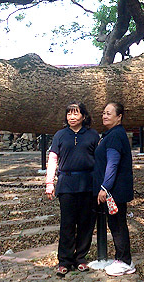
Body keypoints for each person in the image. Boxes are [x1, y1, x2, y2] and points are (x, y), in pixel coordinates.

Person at [46, 103, 100, 277]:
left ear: (84, 116)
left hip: (88, 183)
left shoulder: (92, 135)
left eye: (76, 114)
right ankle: (65, 261)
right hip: (66, 183)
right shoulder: (60, 135)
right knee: (67, 223)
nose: (72, 117)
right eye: (69, 114)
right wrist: (49, 183)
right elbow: (53, 159)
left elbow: (100, 160)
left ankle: (81, 258)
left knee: (86, 223)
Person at [93, 102, 135, 276]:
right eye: (103, 113)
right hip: (113, 190)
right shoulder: (111, 134)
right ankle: (121, 258)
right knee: (115, 224)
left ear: (119, 117)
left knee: (118, 225)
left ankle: (125, 261)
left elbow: (113, 163)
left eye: (109, 113)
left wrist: (105, 187)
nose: (105, 116)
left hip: (115, 191)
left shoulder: (115, 135)